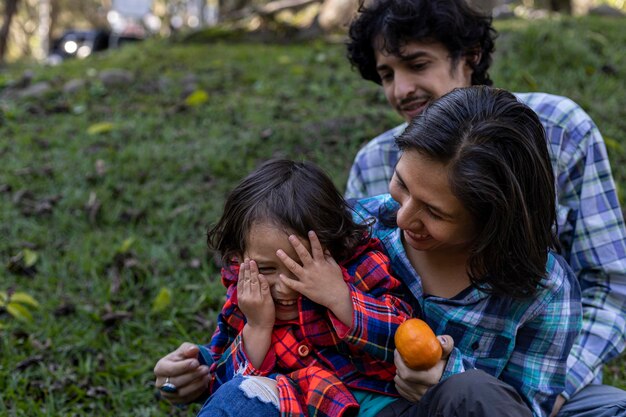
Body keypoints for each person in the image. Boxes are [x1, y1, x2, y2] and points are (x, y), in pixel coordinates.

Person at [155, 87, 582, 417]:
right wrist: (197, 370)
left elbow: (517, 408)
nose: (401, 217)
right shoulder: (350, 229)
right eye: (402, 184)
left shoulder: (544, 293)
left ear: (493, 220)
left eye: (433, 211)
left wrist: (446, 376)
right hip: (311, 399)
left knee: (474, 391)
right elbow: (281, 338)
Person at [344, 1, 626, 416]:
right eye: (387, 74)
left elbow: (610, 287)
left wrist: (545, 396)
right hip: (395, 381)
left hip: (541, 373)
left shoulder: (561, 131)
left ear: (470, 56)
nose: (400, 90)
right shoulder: (375, 161)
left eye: (417, 64)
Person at [165, 159, 414, 416]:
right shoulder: (247, 294)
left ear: (335, 247)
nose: (285, 288)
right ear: (238, 257)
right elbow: (224, 384)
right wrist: (257, 327)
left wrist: (340, 297)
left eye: (301, 266)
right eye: (266, 269)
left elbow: (404, 338)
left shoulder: (359, 268)